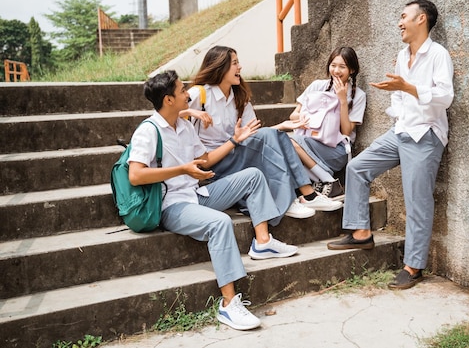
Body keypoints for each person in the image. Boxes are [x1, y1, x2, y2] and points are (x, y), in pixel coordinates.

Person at [127, 70, 300, 331]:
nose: (188, 93)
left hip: (197, 195)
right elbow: (136, 175)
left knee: (252, 176)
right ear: (168, 100)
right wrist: (183, 169)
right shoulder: (148, 131)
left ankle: (263, 242)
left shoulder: (184, 125)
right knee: (221, 223)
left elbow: (205, 160)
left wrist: (234, 140)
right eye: (182, 90)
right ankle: (229, 305)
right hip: (171, 205)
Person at [327, 0, 454, 291]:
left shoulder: (438, 54)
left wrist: (407, 88)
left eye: (404, 17)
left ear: (421, 19)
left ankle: (414, 266)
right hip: (401, 131)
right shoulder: (401, 54)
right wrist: (399, 100)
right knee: (357, 168)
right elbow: (398, 100)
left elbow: (445, 97)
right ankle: (360, 232)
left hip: (425, 136)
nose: (399, 22)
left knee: (417, 200)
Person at [181, 45, 343, 219]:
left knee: (278, 136)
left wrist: (282, 125)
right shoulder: (200, 93)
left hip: (237, 153)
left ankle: (307, 195)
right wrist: (190, 111)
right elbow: (166, 115)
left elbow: (253, 134)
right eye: (235, 63)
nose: (240, 67)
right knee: (269, 137)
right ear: (220, 67)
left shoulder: (239, 97)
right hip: (216, 164)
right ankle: (293, 199)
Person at [288, 46, 366, 196]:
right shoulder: (317, 86)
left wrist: (343, 101)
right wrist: (306, 117)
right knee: (285, 144)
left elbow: (346, 132)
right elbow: (293, 115)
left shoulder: (358, 95)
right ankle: (324, 181)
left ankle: (325, 180)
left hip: (336, 150)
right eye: (333, 65)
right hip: (309, 140)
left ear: (352, 70)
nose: (336, 71)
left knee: (289, 143)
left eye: (342, 67)